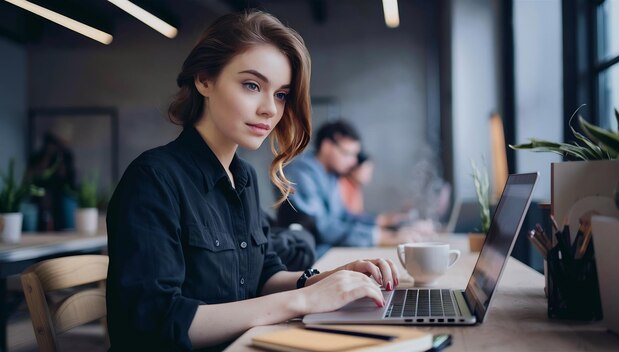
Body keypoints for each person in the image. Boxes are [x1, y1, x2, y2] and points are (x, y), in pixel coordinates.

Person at [106, 11, 399, 351]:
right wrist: (304, 301)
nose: (270, 110)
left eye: (281, 94)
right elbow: (156, 322)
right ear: (204, 79)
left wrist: (325, 279)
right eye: (252, 85)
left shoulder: (242, 177)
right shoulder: (153, 179)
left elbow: (261, 275)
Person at [277, 120, 416, 258]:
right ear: (327, 146)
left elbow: (343, 215)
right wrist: (377, 237)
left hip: (327, 250)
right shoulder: (300, 172)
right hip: (306, 255)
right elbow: (323, 228)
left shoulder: (331, 175)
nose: (354, 161)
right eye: (347, 153)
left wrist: (378, 225)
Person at [338, 150, 374, 214]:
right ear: (353, 168)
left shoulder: (356, 187)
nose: (368, 176)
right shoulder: (342, 185)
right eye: (366, 171)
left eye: (370, 172)